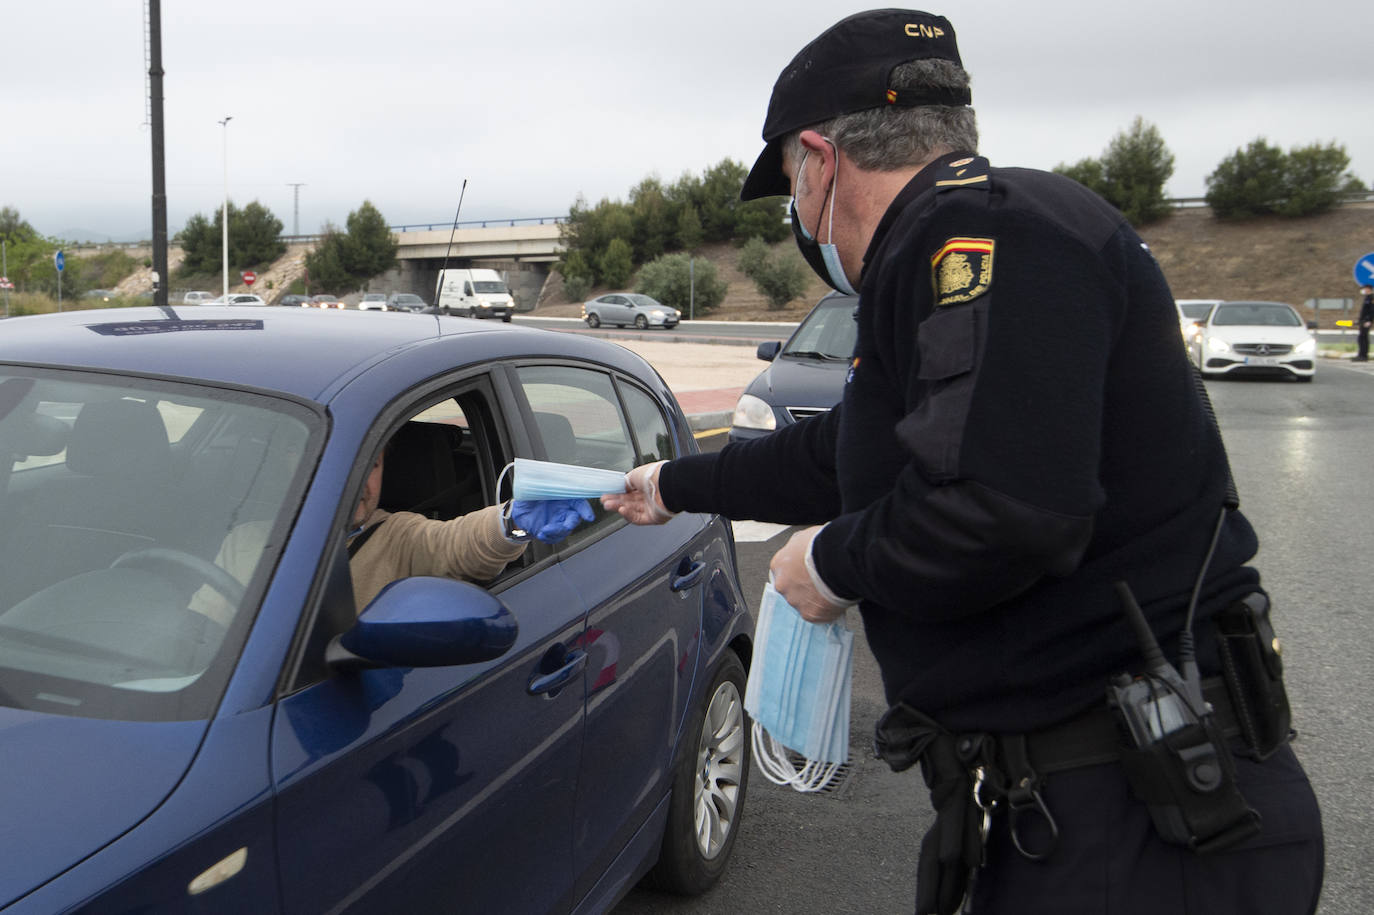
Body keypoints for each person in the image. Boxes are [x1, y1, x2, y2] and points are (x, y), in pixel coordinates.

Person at [603, 10, 1323, 914]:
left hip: (1139, 816)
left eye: (791, 181)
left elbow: (1002, 509)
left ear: (822, 161)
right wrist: (672, 483)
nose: (797, 213)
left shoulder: (983, 239)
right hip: (1081, 805)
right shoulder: (969, 237)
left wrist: (829, 564)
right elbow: (849, 452)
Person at [193, 444, 592, 623]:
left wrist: (512, 522)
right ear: (292, 466)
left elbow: (454, 545)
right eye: (333, 464)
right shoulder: (247, 538)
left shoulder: (397, 536)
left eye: (371, 464)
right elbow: (201, 636)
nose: (357, 481)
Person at [1355, 284, 1372, 361]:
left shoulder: (1371, 298)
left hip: (1367, 321)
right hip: (1363, 321)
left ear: (1368, 289)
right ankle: (1360, 355)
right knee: (1361, 338)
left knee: (1364, 338)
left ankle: (1364, 356)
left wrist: (1369, 320)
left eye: (1365, 288)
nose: (1364, 290)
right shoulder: (1367, 298)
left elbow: (1372, 311)